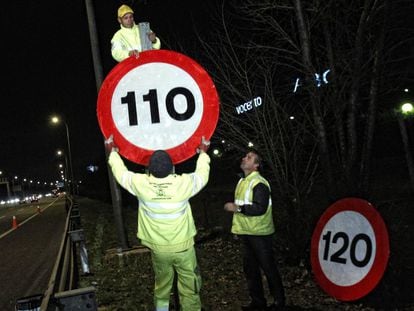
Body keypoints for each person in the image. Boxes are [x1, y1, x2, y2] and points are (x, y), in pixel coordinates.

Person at [105, 135, 210, 311]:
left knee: (162, 287)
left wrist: (113, 153)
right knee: (190, 288)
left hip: (158, 250)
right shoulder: (183, 184)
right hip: (184, 248)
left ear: (150, 170)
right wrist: (203, 153)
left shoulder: (141, 184)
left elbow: (121, 174)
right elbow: (202, 175)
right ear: (172, 168)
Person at [224, 150, 285, 311]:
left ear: (256, 165)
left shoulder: (259, 183)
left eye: (249, 158)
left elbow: (260, 208)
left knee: (268, 268)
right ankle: (258, 302)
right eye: (245, 156)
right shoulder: (243, 181)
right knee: (251, 270)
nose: (244, 158)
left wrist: (237, 208)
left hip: (260, 234)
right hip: (247, 233)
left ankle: (279, 302)